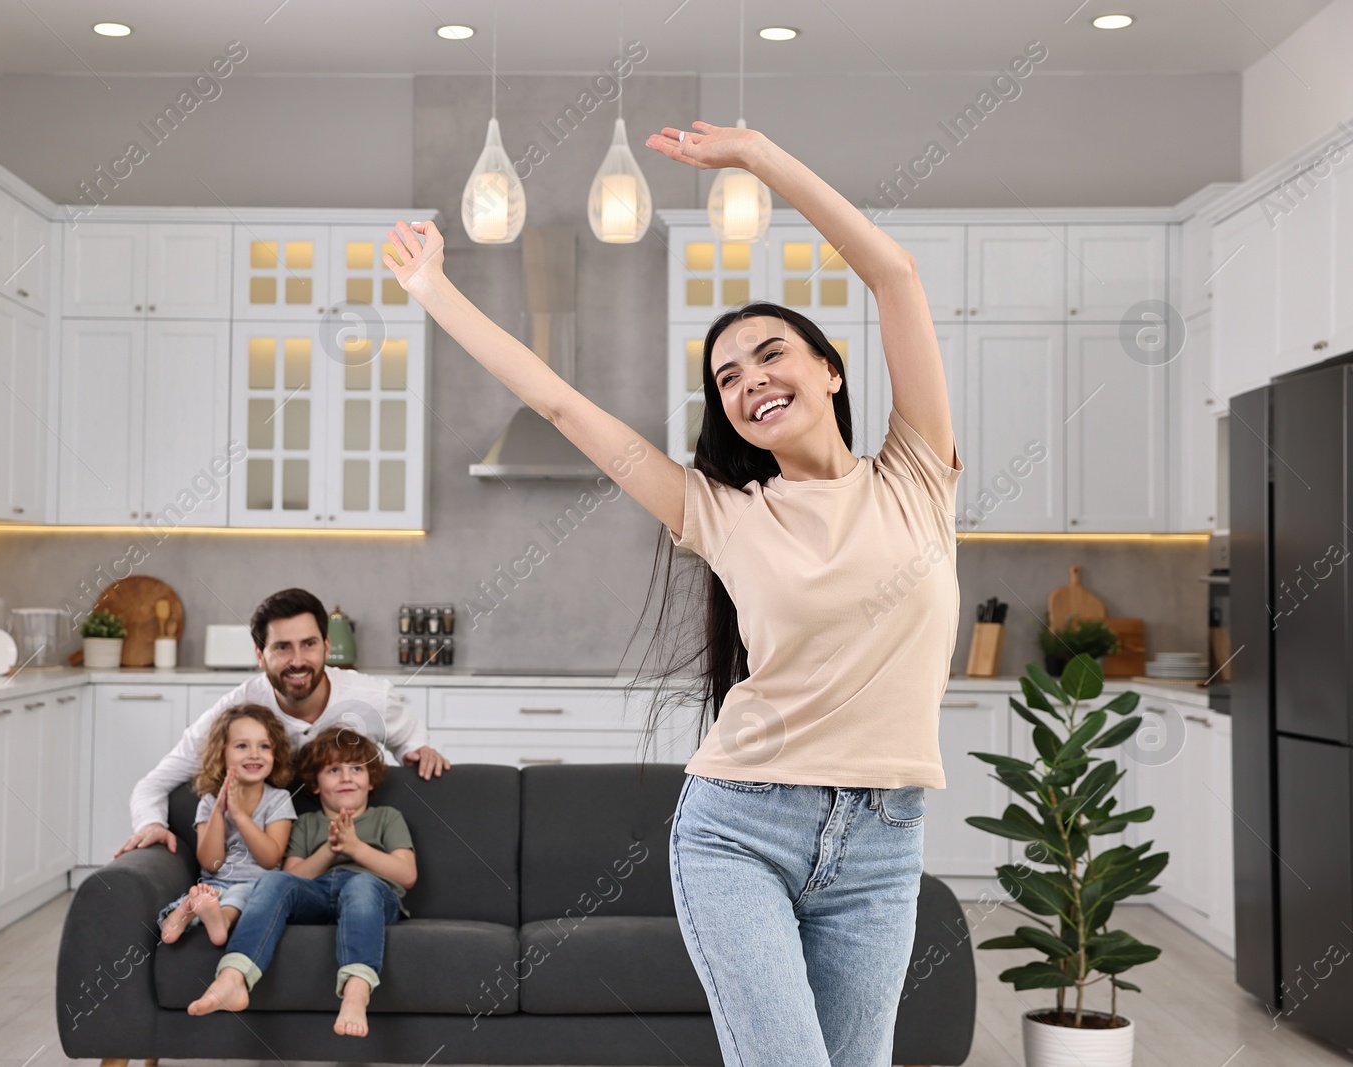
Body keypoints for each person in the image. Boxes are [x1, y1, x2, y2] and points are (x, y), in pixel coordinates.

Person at [378, 121, 959, 1066]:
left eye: (772, 355)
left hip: (884, 839)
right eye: (727, 376)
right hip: (743, 831)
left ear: (830, 369)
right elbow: (565, 407)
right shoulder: (723, 512)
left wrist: (762, 159)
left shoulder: (917, 473)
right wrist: (432, 290)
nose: (751, 381)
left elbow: (894, 275)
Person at [116, 588, 450, 859]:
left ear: (327, 647)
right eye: (282, 648)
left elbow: (411, 740)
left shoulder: (371, 697)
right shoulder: (236, 711)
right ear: (259, 656)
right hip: (271, 851)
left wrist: (418, 750)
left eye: (309, 644)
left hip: (348, 841)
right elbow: (153, 784)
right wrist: (151, 824)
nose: (298, 661)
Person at [186, 728, 416, 1039]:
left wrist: (355, 848)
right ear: (316, 785)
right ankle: (233, 976)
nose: (346, 777)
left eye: (357, 769)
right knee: (274, 880)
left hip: (373, 896)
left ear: (371, 780)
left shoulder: (387, 817)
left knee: (360, 884)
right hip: (317, 895)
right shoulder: (308, 823)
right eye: (334, 770)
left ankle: (357, 990)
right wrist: (330, 849)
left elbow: (406, 875)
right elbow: (294, 876)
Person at [157, 704, 296, 947]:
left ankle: (219, 919)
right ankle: (181, 916)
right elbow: (212, 863)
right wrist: (219, 812)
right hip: (215, 884)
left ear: (276, 754)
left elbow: (270, 858)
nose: (254, 754)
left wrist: (240, 816)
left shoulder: (279, 799)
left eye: (264, 746)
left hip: (259, 886)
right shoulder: (210, 802)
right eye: (242, 746)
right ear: (222, 753)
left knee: (239, 896)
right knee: (201, 895)